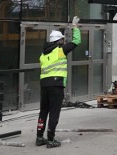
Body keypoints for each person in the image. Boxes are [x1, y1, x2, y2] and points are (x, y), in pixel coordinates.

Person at [36, 16, 81, 148]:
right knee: (54, 112)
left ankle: (39, 137)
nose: (63, 41)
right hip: (56, 86)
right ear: (58, 41)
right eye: (62, 39)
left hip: (44, 86)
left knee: (43, 111)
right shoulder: (61, 51)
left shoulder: (42, 55)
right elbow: (77, 41)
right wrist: (74, 26)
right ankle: (51, 140)